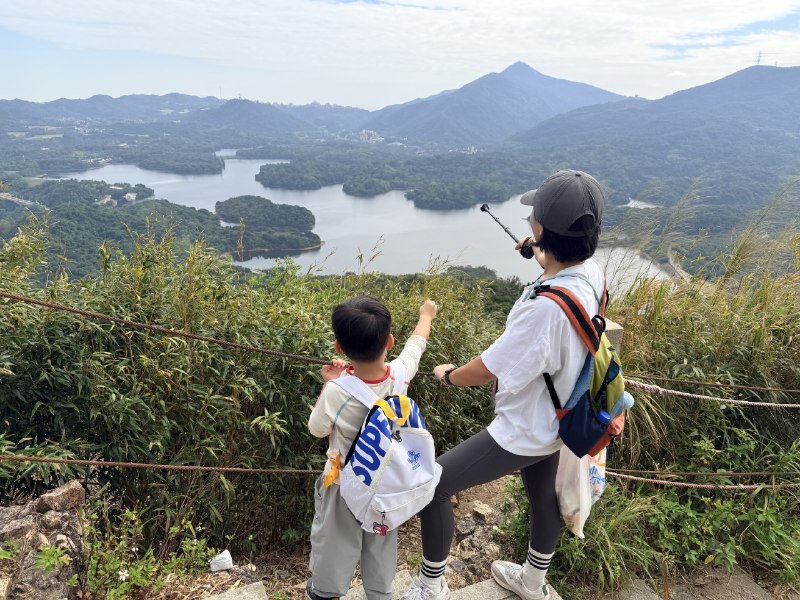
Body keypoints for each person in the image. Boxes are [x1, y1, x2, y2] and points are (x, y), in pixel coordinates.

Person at [400, 170, 606, 600]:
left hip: (525, 427)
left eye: (535, 216)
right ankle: (533, 582)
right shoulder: (592, 275)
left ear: (543, 228)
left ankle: (431, 586)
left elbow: (489, 367)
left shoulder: (543, 311)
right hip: (563, 420)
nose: (530, 219)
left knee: (434, 486)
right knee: (541, 497)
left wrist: (450, 375)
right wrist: (541, 255)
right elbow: (562, 279)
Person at [307, 296, 439, 600]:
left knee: (334, 541)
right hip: (385, 485)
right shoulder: (400, 374)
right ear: (389, 341)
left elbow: (317, 429)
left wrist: (329, 382)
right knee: (381, 540)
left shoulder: (337, 391)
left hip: (342, 484)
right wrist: (426, 314)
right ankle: (380, 593)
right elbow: (416, 345)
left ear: (339, 348)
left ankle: (325, 591)